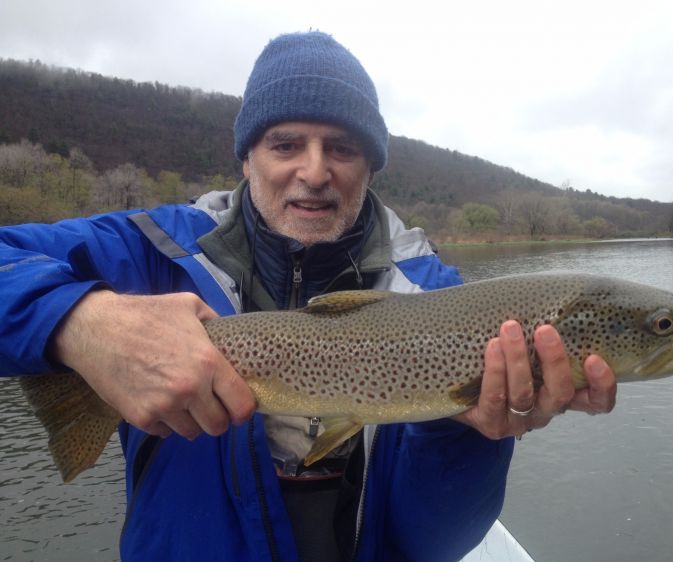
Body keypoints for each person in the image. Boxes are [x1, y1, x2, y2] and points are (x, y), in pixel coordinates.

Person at [0, 31, 616, 562]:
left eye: (342, 148)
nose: (316, 172)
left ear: (371, 166)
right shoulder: (145, 254)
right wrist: (79, 321)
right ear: (247, 158)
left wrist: (465, 433)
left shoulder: (443, 306)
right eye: (286, 144)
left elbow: (432, 545)